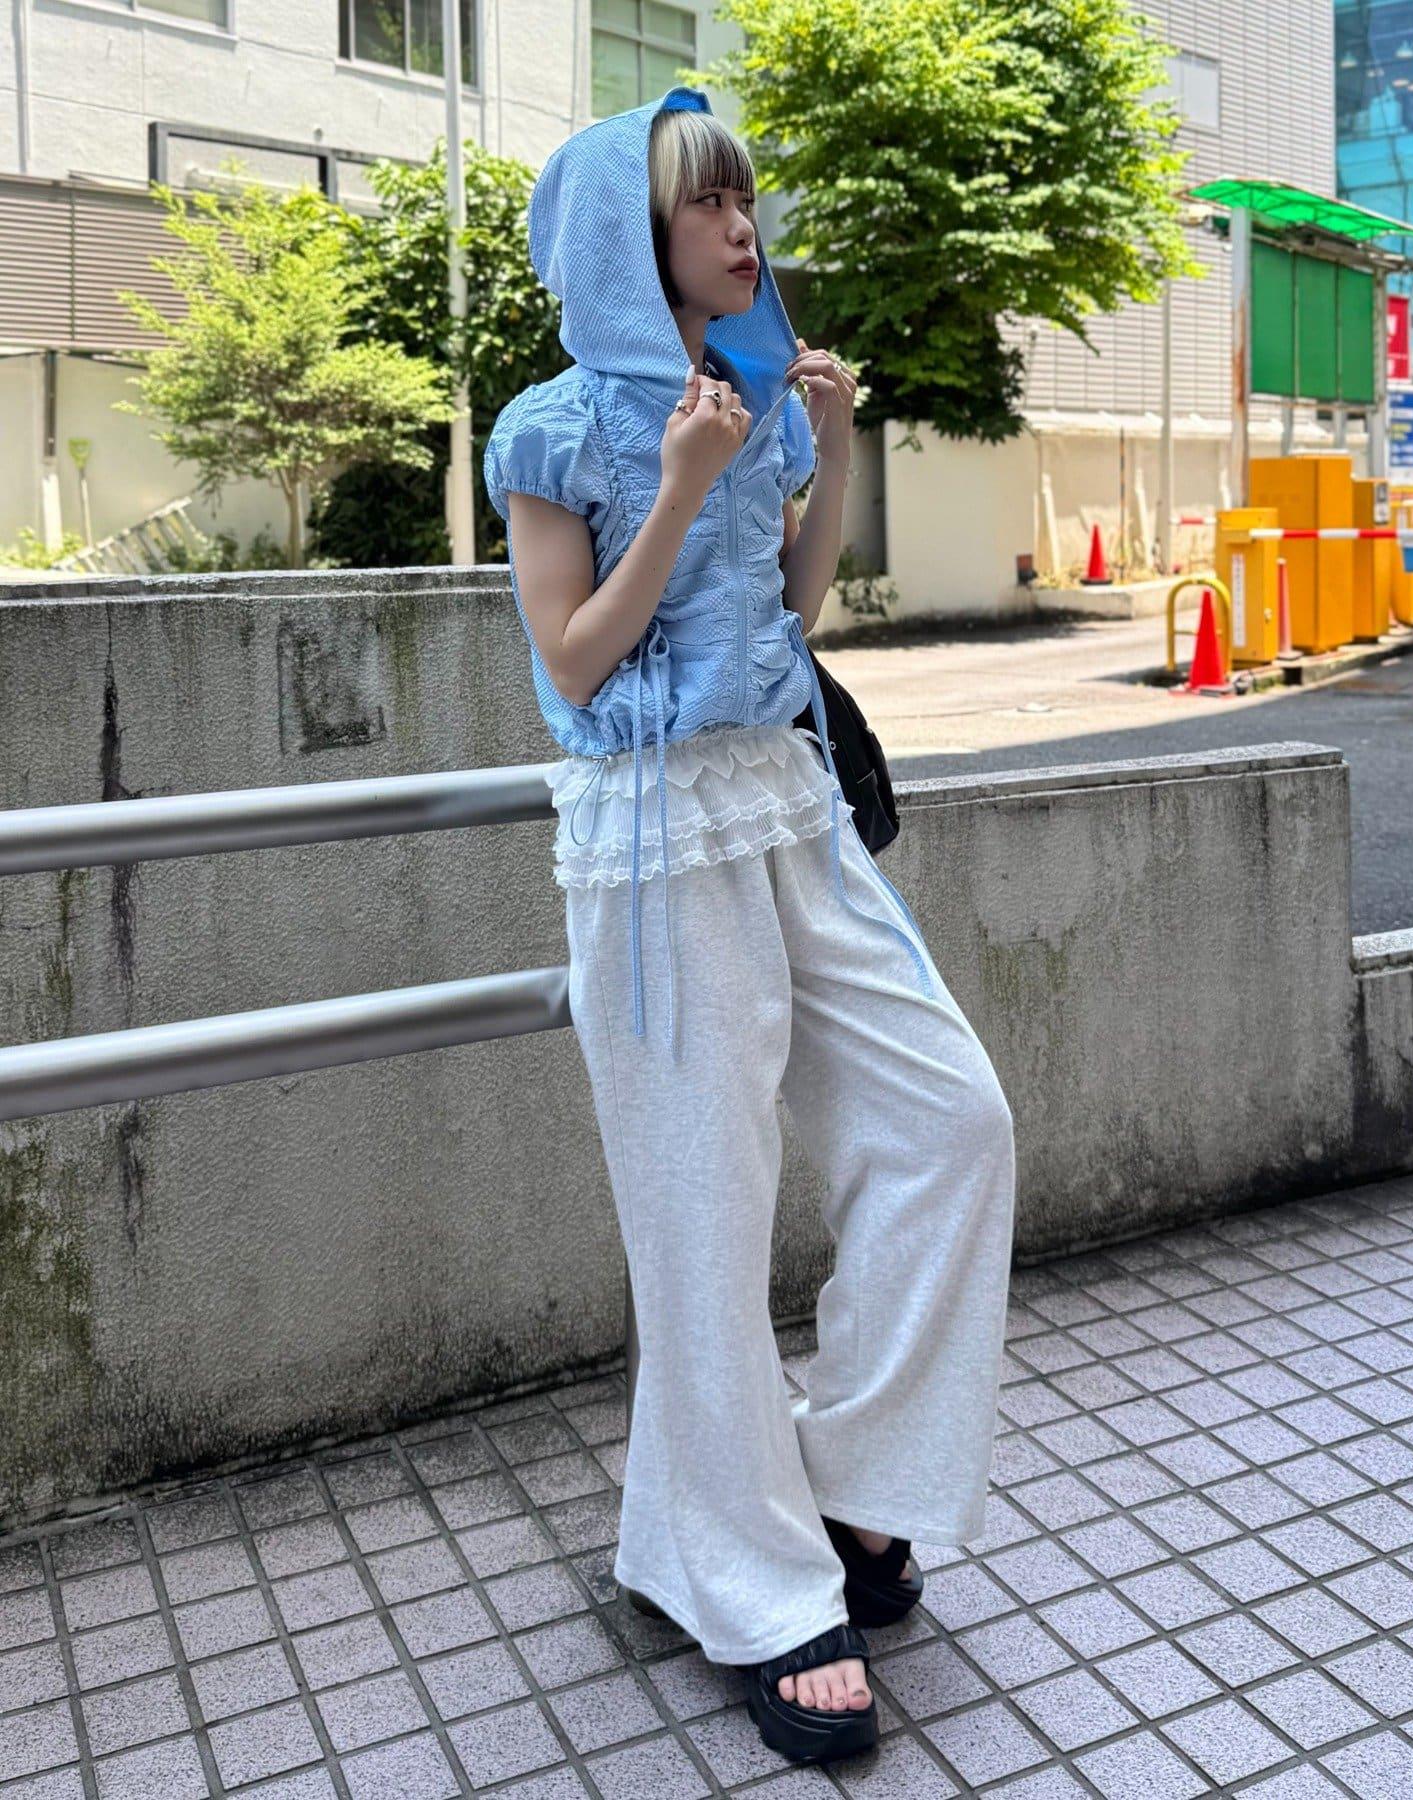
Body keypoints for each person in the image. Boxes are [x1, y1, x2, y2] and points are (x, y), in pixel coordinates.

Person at [484, 85, 1015, 1765]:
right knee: (703, 1219)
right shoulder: (552, 428)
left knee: (953, 1123)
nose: (742, 227)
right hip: (650, 838)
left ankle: (848, 1491)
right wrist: (676, 484)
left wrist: (828, 450)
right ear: (626, 241)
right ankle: (757, 1583)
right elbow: (575, 665)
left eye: (743, 201)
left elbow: (791, 606)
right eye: (707, 205)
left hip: (786, 805)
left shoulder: (753, 397)